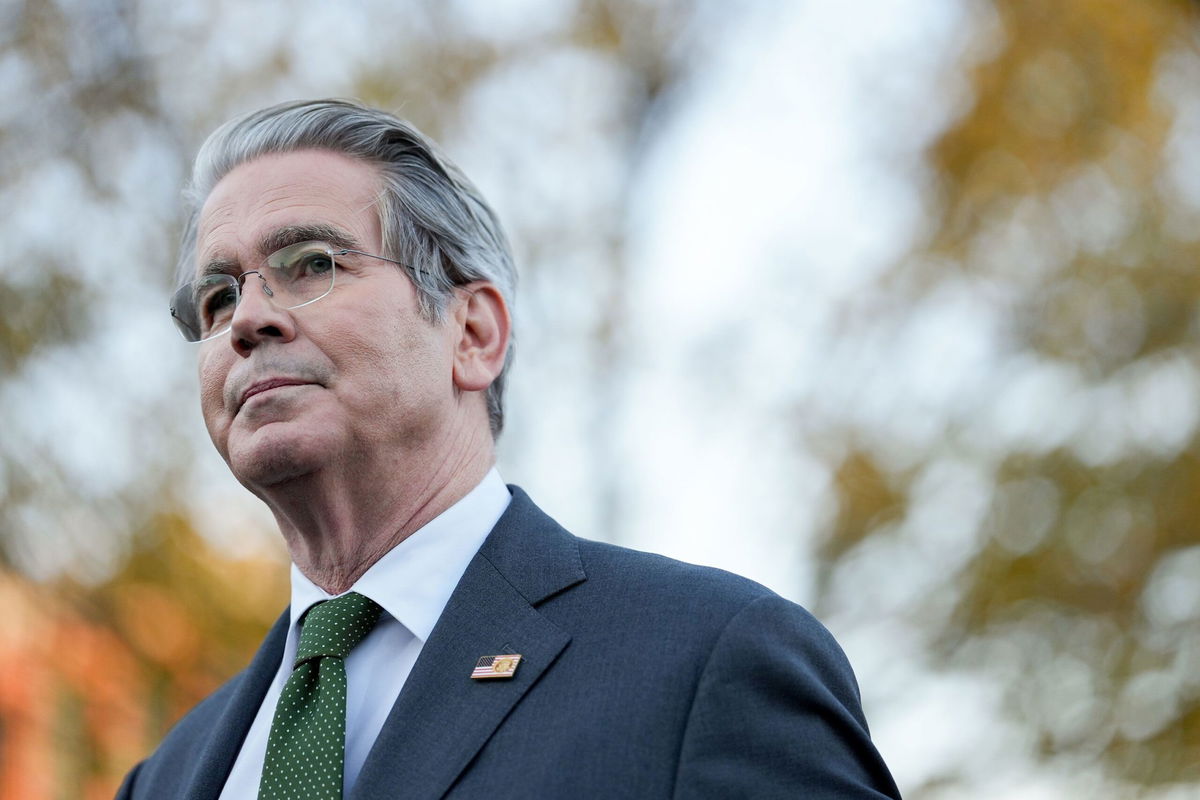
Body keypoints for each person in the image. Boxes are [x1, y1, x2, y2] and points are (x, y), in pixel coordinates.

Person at [116, 99, 901, 800]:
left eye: (313, 264)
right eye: (218, 296)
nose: (248, 320)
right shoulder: (165, 778)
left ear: (473, 333)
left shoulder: (707, 659)